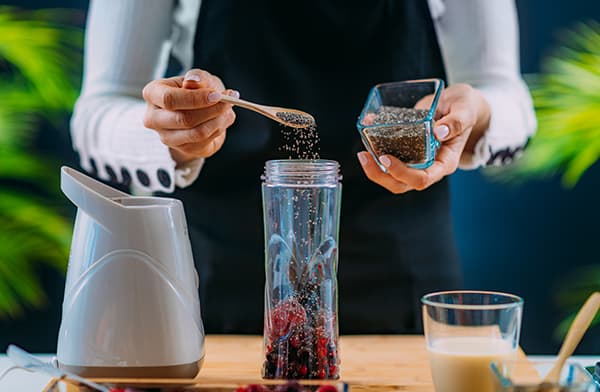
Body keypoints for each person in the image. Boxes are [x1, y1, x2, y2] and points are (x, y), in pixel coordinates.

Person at [71, 0, 536, 333]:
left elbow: (506, 95)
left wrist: (474, 115)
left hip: (401, 267)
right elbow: (97, 111)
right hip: (221, 274)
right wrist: (173, 134)